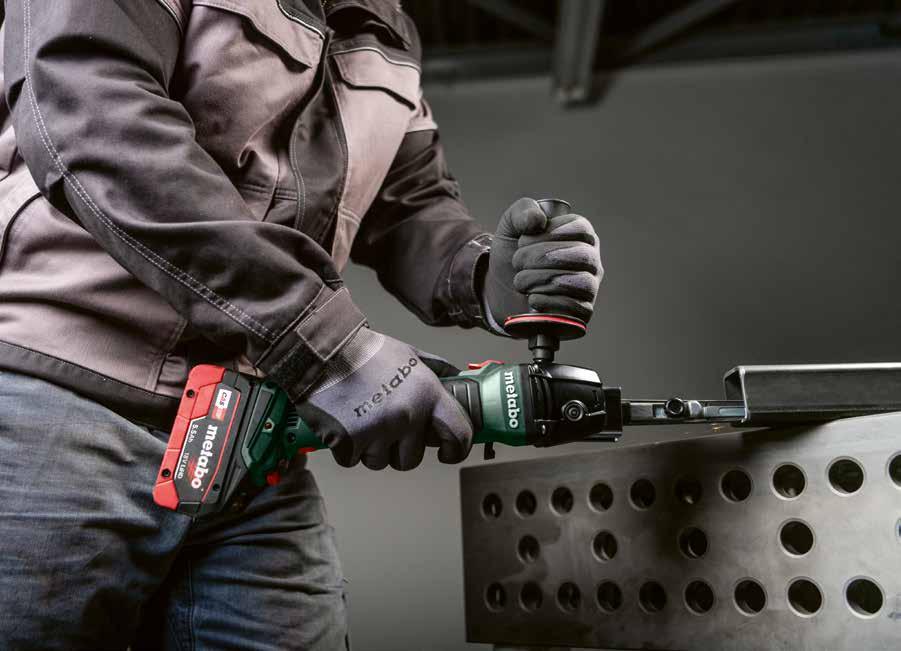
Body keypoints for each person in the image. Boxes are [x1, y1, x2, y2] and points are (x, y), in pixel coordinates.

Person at [0, 1, 603, 649]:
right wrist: (325, 345)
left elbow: (409, 202)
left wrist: (483, 273)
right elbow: (95, 121)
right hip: (59, 403)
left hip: (249, 437)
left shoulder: (386, 26)